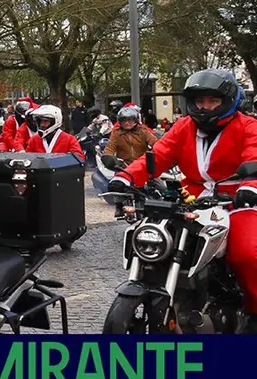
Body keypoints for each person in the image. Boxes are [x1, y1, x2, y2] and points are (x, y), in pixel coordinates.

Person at [108, 70, 257, 332]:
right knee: (162, 234)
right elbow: (160, 154)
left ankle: (254, 311)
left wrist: (249, 187)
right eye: (200, 101)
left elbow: (253, 156)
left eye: (212, 101)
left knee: (247, 254)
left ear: (228, 100)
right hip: (195, 198)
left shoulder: (248, 126)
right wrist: (126, 177)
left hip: (238, 199)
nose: (205, 106)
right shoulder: (184, 126)